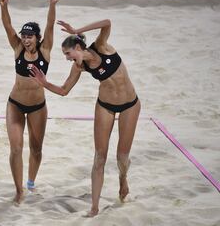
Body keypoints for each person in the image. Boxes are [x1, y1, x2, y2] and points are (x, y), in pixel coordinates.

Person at [30, 19, 141, 217]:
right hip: (105, 106)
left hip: (130, 106)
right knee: (99, 157)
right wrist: (44, 83)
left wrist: (76, 29)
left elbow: (107, 23)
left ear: (79, 47)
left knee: (122, 157)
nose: (67, 58)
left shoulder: (101, 47)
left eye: (68, 53)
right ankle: (94, 207)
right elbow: (64, 90)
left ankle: (123, 179)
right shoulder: (79, 67)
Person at [0, 0, 60, 204]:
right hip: (15, 104)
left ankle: (30, 182)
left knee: (36, 148)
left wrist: (52, 4)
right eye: (23, 36)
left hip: (37, 107)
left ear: (37, 37)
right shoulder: (17, 48)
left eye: (29, 36)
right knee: (16, 148)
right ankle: (18, 190)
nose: (25, 40)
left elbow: (50, 24)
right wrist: (3, 7)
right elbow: (8, 27)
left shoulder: (46, 49)